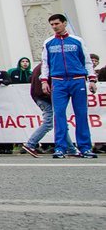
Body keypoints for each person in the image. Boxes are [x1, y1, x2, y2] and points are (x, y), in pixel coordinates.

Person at [39, 14, 98, 159]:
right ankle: (60, 148)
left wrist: (92, 79)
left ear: (64, 23)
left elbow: (87, 61)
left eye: (57, 23)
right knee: (58, 115)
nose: (54, 26)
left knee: (81, 114)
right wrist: (44, 81)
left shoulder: (77, 41)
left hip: (77, 80)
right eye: (52, 24)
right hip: (58, 82)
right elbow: (45, 63)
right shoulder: (48, 43)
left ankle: (85, 148)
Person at [22, 60, 76, 157]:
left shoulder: (42, 66)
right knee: (50, 122)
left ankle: (71, 149)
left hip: (42, 97)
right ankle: (30, 144)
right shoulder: (48, 67)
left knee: (60, 122)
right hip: (45, 97)